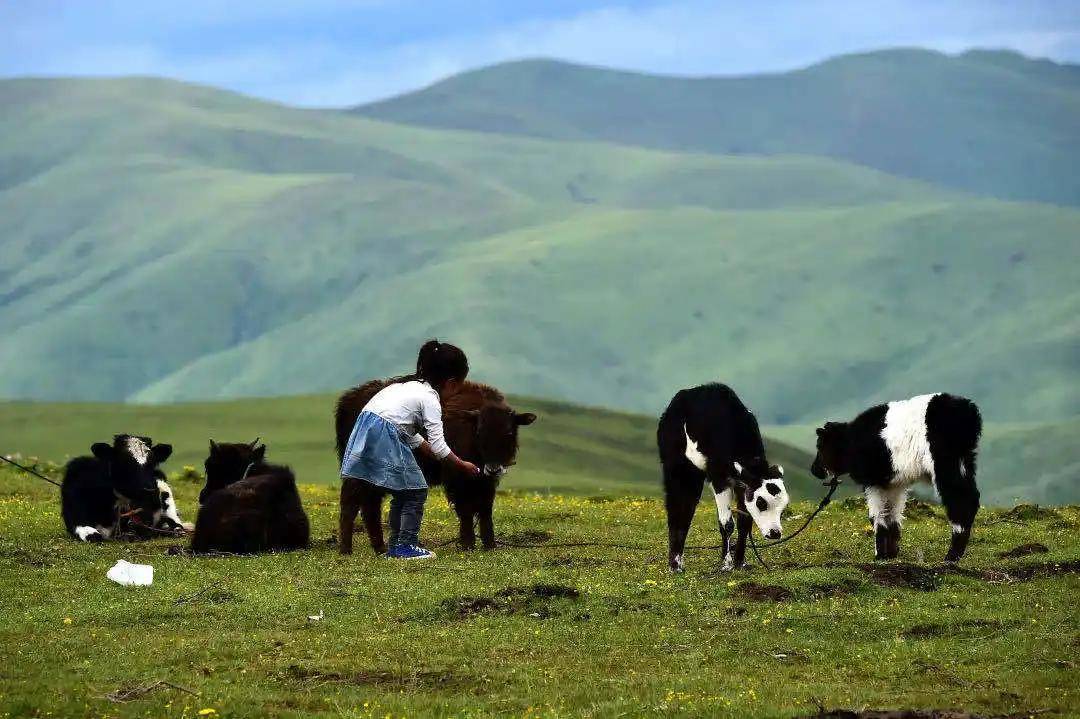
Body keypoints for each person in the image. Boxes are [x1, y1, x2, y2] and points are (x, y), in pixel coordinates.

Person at [340, 340, 480, 559]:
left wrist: (428, 451)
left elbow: (406, 431)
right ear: (452, 383)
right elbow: (440, 446)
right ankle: (405, 545)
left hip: (367, 429)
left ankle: (395, 545)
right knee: (416, 490)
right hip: (384, 435)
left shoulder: (406, 387)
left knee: (403, 490)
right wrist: (462, 465)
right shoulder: (430, 399)